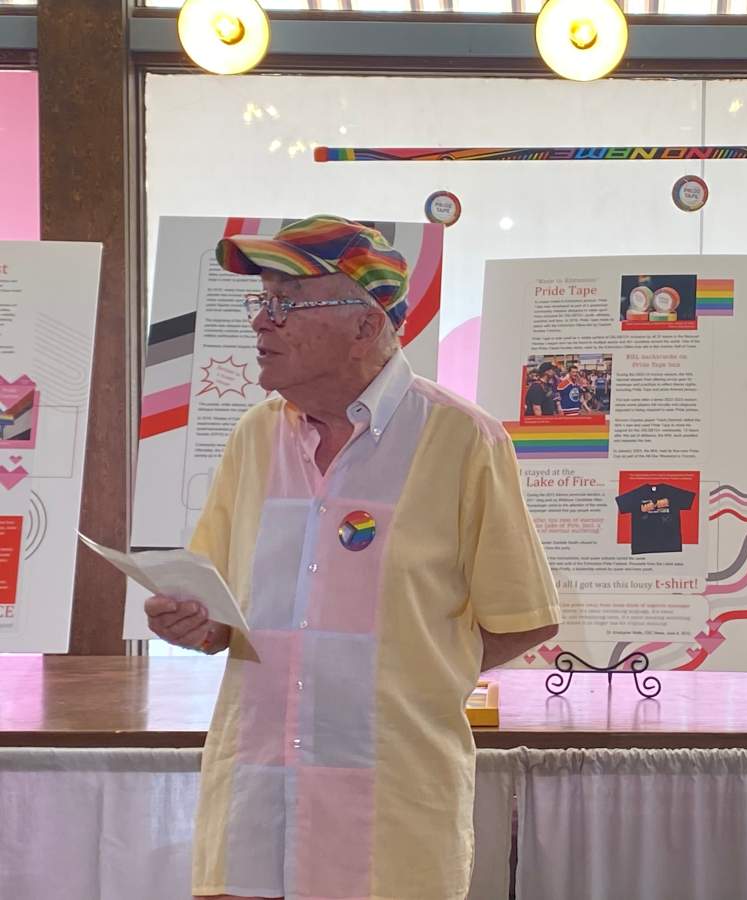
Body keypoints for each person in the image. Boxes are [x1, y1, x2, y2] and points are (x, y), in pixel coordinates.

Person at [143, 215, 560, 900]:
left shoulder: (462, 441)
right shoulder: (255, 435)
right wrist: (192, 622)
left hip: (390, 823)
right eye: (261, 304)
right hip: (256, 801)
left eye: (284, 305)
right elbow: (221, 607)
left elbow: (524, 617)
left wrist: (408, 668)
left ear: (365, 325)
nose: (260, 324)